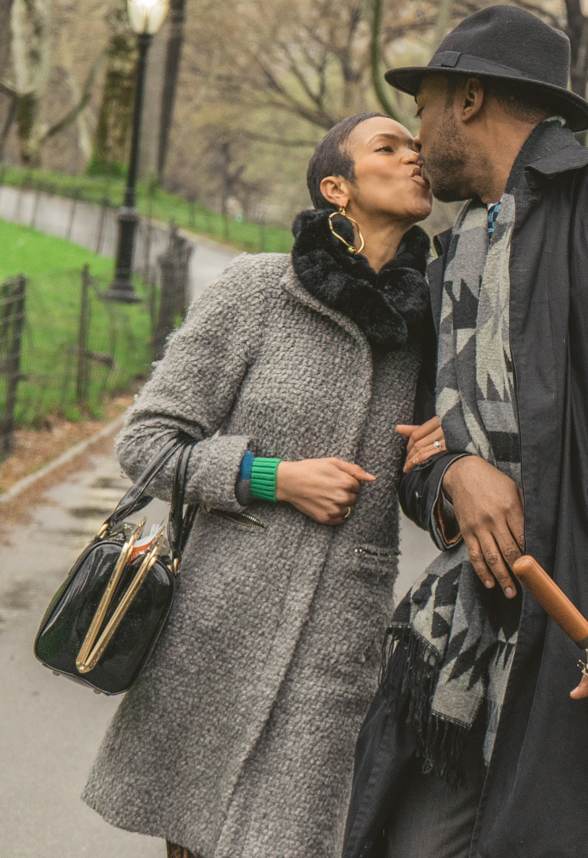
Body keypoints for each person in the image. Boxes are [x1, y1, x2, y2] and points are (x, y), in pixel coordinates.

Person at [345, 5, 588, 858]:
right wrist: (453, 472)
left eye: (424, 107)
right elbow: (417, 446)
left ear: (472, 98)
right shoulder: (449, 255)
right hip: (461, 652)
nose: (415, 137)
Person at [83, 114, 448, 858]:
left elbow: (423, 489)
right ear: (336, 188)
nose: (415, 155)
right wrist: (271, 477)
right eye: (390, 146)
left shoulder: (430, 323)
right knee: (195, 839)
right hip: (215, 632)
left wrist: (446, 453)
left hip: (338, 648)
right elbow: (146, 444)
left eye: (417, 147)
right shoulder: (256, 289)